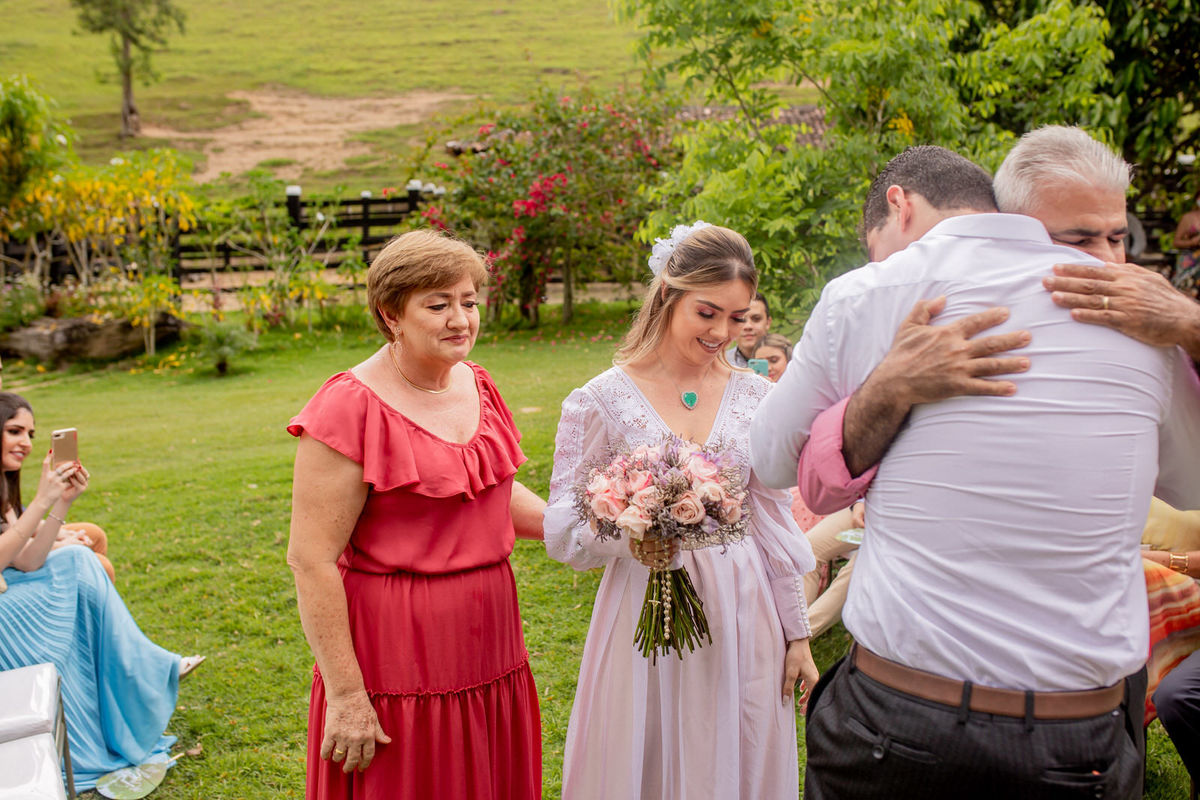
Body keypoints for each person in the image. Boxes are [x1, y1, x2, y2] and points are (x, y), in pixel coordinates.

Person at [752, 139, 1200, 799]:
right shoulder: (1146, 326)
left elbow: (766, 458)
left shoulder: (873, 295)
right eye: (1083, 237)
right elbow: (1190, 482)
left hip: (898, 720)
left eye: (1115, 238)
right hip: (1071, 734)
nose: (1104, 260)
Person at [544, 223, 818, 799]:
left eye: (738, 317)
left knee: (736, 745)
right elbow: (564, 529)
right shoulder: (600, 399)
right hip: (642, 605)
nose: (723, 332)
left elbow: (774, 521)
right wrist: (631, 535)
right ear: (668, 295)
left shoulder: (757, 397)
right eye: (707, 313)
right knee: (648, 752)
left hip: (744, 609)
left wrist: (797, 633)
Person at [286, 229, 545, 800]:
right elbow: (311, 561)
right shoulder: (348, 406)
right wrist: (348, 696)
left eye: (469, 302)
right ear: (390, 314)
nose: (461, 319)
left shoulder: (478, 383)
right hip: (400, 651)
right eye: (439, 304)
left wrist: (583, 528)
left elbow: (488, 491)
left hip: (492, 639)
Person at [0, 391, 201, 791]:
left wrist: (62, 503)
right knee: (82, 562)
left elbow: (27, 560)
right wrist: (43, 500)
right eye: (14, 431)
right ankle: (141, 669)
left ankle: (134, 671)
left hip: (14, 586)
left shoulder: (4, 485)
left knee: (83, 559)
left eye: (31, 433)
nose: (25, 441)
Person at [724, 290, 771, 367]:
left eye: (756, 318)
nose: (748, 326)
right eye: (740, 319)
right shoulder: (717, 365)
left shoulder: (789, 362)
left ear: (768, 323)